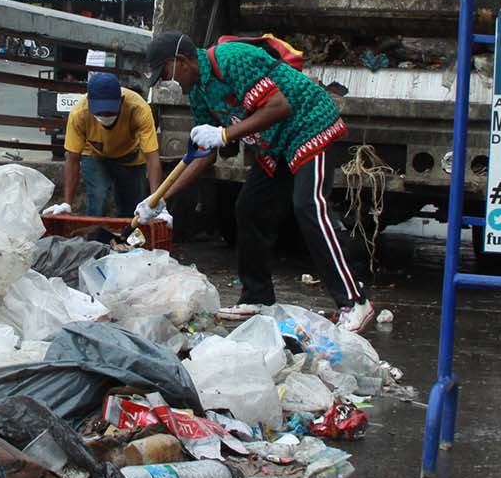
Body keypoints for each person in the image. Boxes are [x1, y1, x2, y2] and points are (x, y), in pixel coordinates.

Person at [142, 31, 375, 333]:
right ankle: (258, 297)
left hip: (308, 123)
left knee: (308, 207)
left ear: (181, 61)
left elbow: (279, 107)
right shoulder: (200, 93)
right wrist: (160, 199)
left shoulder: (230, 59)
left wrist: (225, 134)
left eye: (166, 74)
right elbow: (206, 155)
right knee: (249, 207)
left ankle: (355, 302)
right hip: (274, 143)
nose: (168, 82)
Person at [43, 72, 163, 219]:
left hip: (130, 154)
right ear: (89, 101)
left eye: (110, 111)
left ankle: (127, 240)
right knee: (98, 198)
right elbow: (73, 159)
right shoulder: (79, 113)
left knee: (134, 208)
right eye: (100, 111)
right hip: (94, 153)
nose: (105, 115)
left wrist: (156, 201)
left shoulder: (138, 109)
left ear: (121, 100)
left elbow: (152, 156)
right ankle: (93, 238)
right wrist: (67, 203)